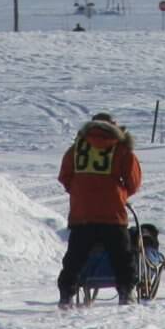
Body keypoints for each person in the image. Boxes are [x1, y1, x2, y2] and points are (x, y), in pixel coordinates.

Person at [56, 110, 143, 307]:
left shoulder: (77, 148)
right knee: (122, 256)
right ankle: (126, 292)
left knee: (75, 257)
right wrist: (120, 195)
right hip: (113, 214)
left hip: (82, 214)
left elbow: (65, 176)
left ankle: (66, 295)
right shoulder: (121, 149)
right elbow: (134, 182)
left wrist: (80, 192)